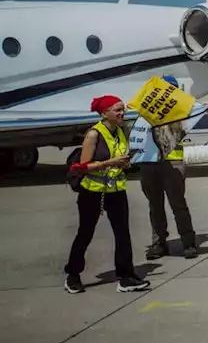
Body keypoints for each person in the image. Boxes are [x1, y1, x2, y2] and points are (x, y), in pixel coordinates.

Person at [64, 95, 152, 294]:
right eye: (117, 110)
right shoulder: (94, 134)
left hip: (116, 190)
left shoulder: (120, 131)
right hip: (93, 191)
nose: (122, 113)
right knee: (85, 233)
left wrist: (125, 162)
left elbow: (119, 158)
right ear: (105, 113)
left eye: (123, 110)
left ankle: (126, 277)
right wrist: (111, 162)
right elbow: (83, 167)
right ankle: (73, 275)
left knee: (123, 235)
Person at [130, 75, 205, 260]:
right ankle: (159, 243)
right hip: (148, 162)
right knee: (154, 206)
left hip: (172, 162)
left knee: (178, 205)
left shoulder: (181, 111)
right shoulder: (146, 111)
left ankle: (188, 242)